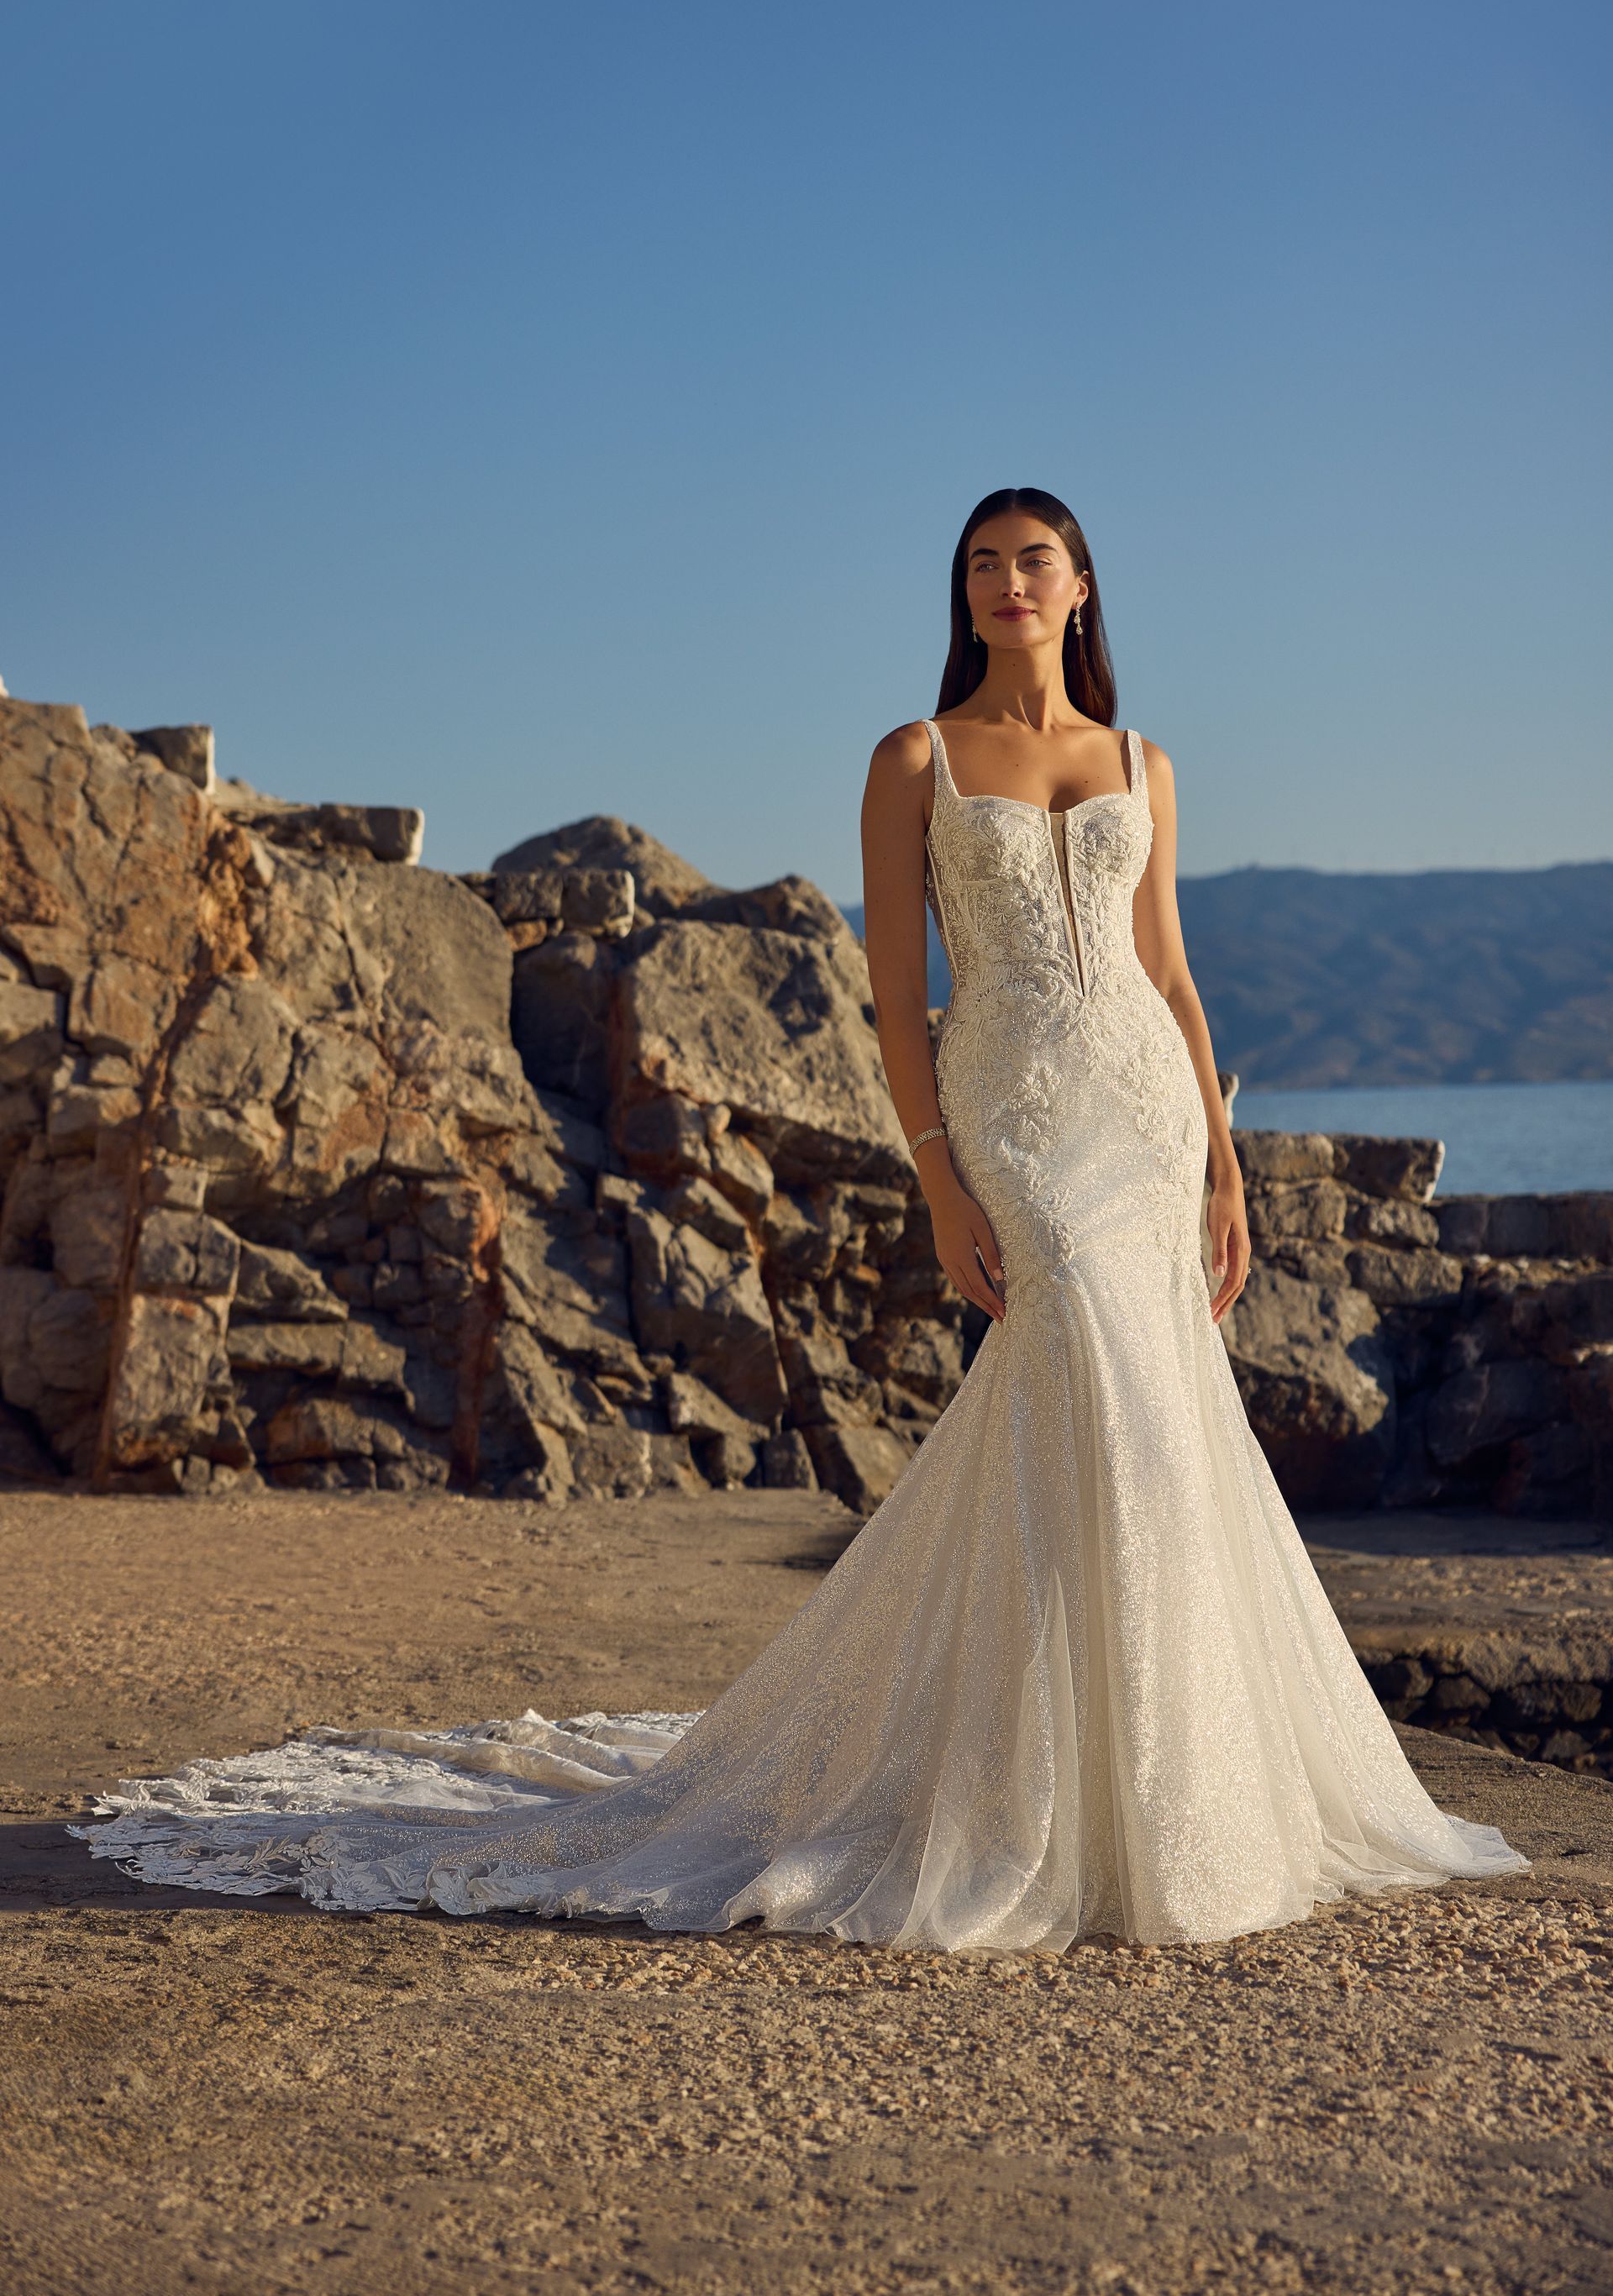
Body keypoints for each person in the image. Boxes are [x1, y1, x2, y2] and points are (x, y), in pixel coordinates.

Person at [74, 486, 1531, 1951]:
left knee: (1151, 1417)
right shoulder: (917, 759)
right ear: (962, 596)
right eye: (981, 565)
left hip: (1148, 1115)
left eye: (1035, 561)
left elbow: (1172, 970)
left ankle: (1148, 1791)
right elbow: (898, 992)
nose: (1007, 583)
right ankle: (1025, 1793)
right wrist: (939, 1173)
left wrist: (1223, 1162)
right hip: (1018, 1113)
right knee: (1088, 1357)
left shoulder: (1144, 760)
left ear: (1083, 587)